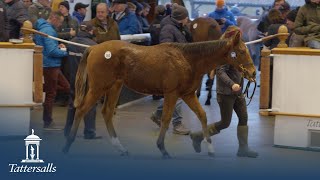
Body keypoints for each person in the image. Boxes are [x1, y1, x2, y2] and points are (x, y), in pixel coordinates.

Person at [190, 64, 258, 158]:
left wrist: (247, 76)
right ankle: (198, 136)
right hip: (225, 94)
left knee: (243, 118)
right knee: (225, 123)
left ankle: (243, 149)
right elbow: (220, 72)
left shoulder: (238, 53)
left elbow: (238, 70)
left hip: (238, 93)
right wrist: (232, 84)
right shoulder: (227, 54)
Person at [150, 3, 192, 135]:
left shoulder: (178, 27)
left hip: (177, 66)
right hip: (172, 68)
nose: (187, 20)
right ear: (181, 17)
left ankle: (157, 115)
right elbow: (166, 48)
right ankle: (177, 124)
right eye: (186, 17)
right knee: (177, 95)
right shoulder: (168, 29)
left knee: (173, 95)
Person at [64, 21, 101, 139]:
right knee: (90, 104)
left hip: (73, 78)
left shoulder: (70, 43)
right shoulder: (93, 46)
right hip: (87, 80)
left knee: (73, 104)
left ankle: (68, 131)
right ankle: (89, 132)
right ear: (90, 31)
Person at [34, 11, 70, 130]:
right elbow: (51, 52)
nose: (60, 25)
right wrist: (65, 52)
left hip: (49, 65)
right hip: (51, 65)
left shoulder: (43, 28)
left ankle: (38, 89)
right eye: (59, 21)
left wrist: (57, 47)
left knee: (65, 87)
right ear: (54, 18)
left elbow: (50, 48)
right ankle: (48, 122)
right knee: (51, 93)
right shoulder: (49, 31)